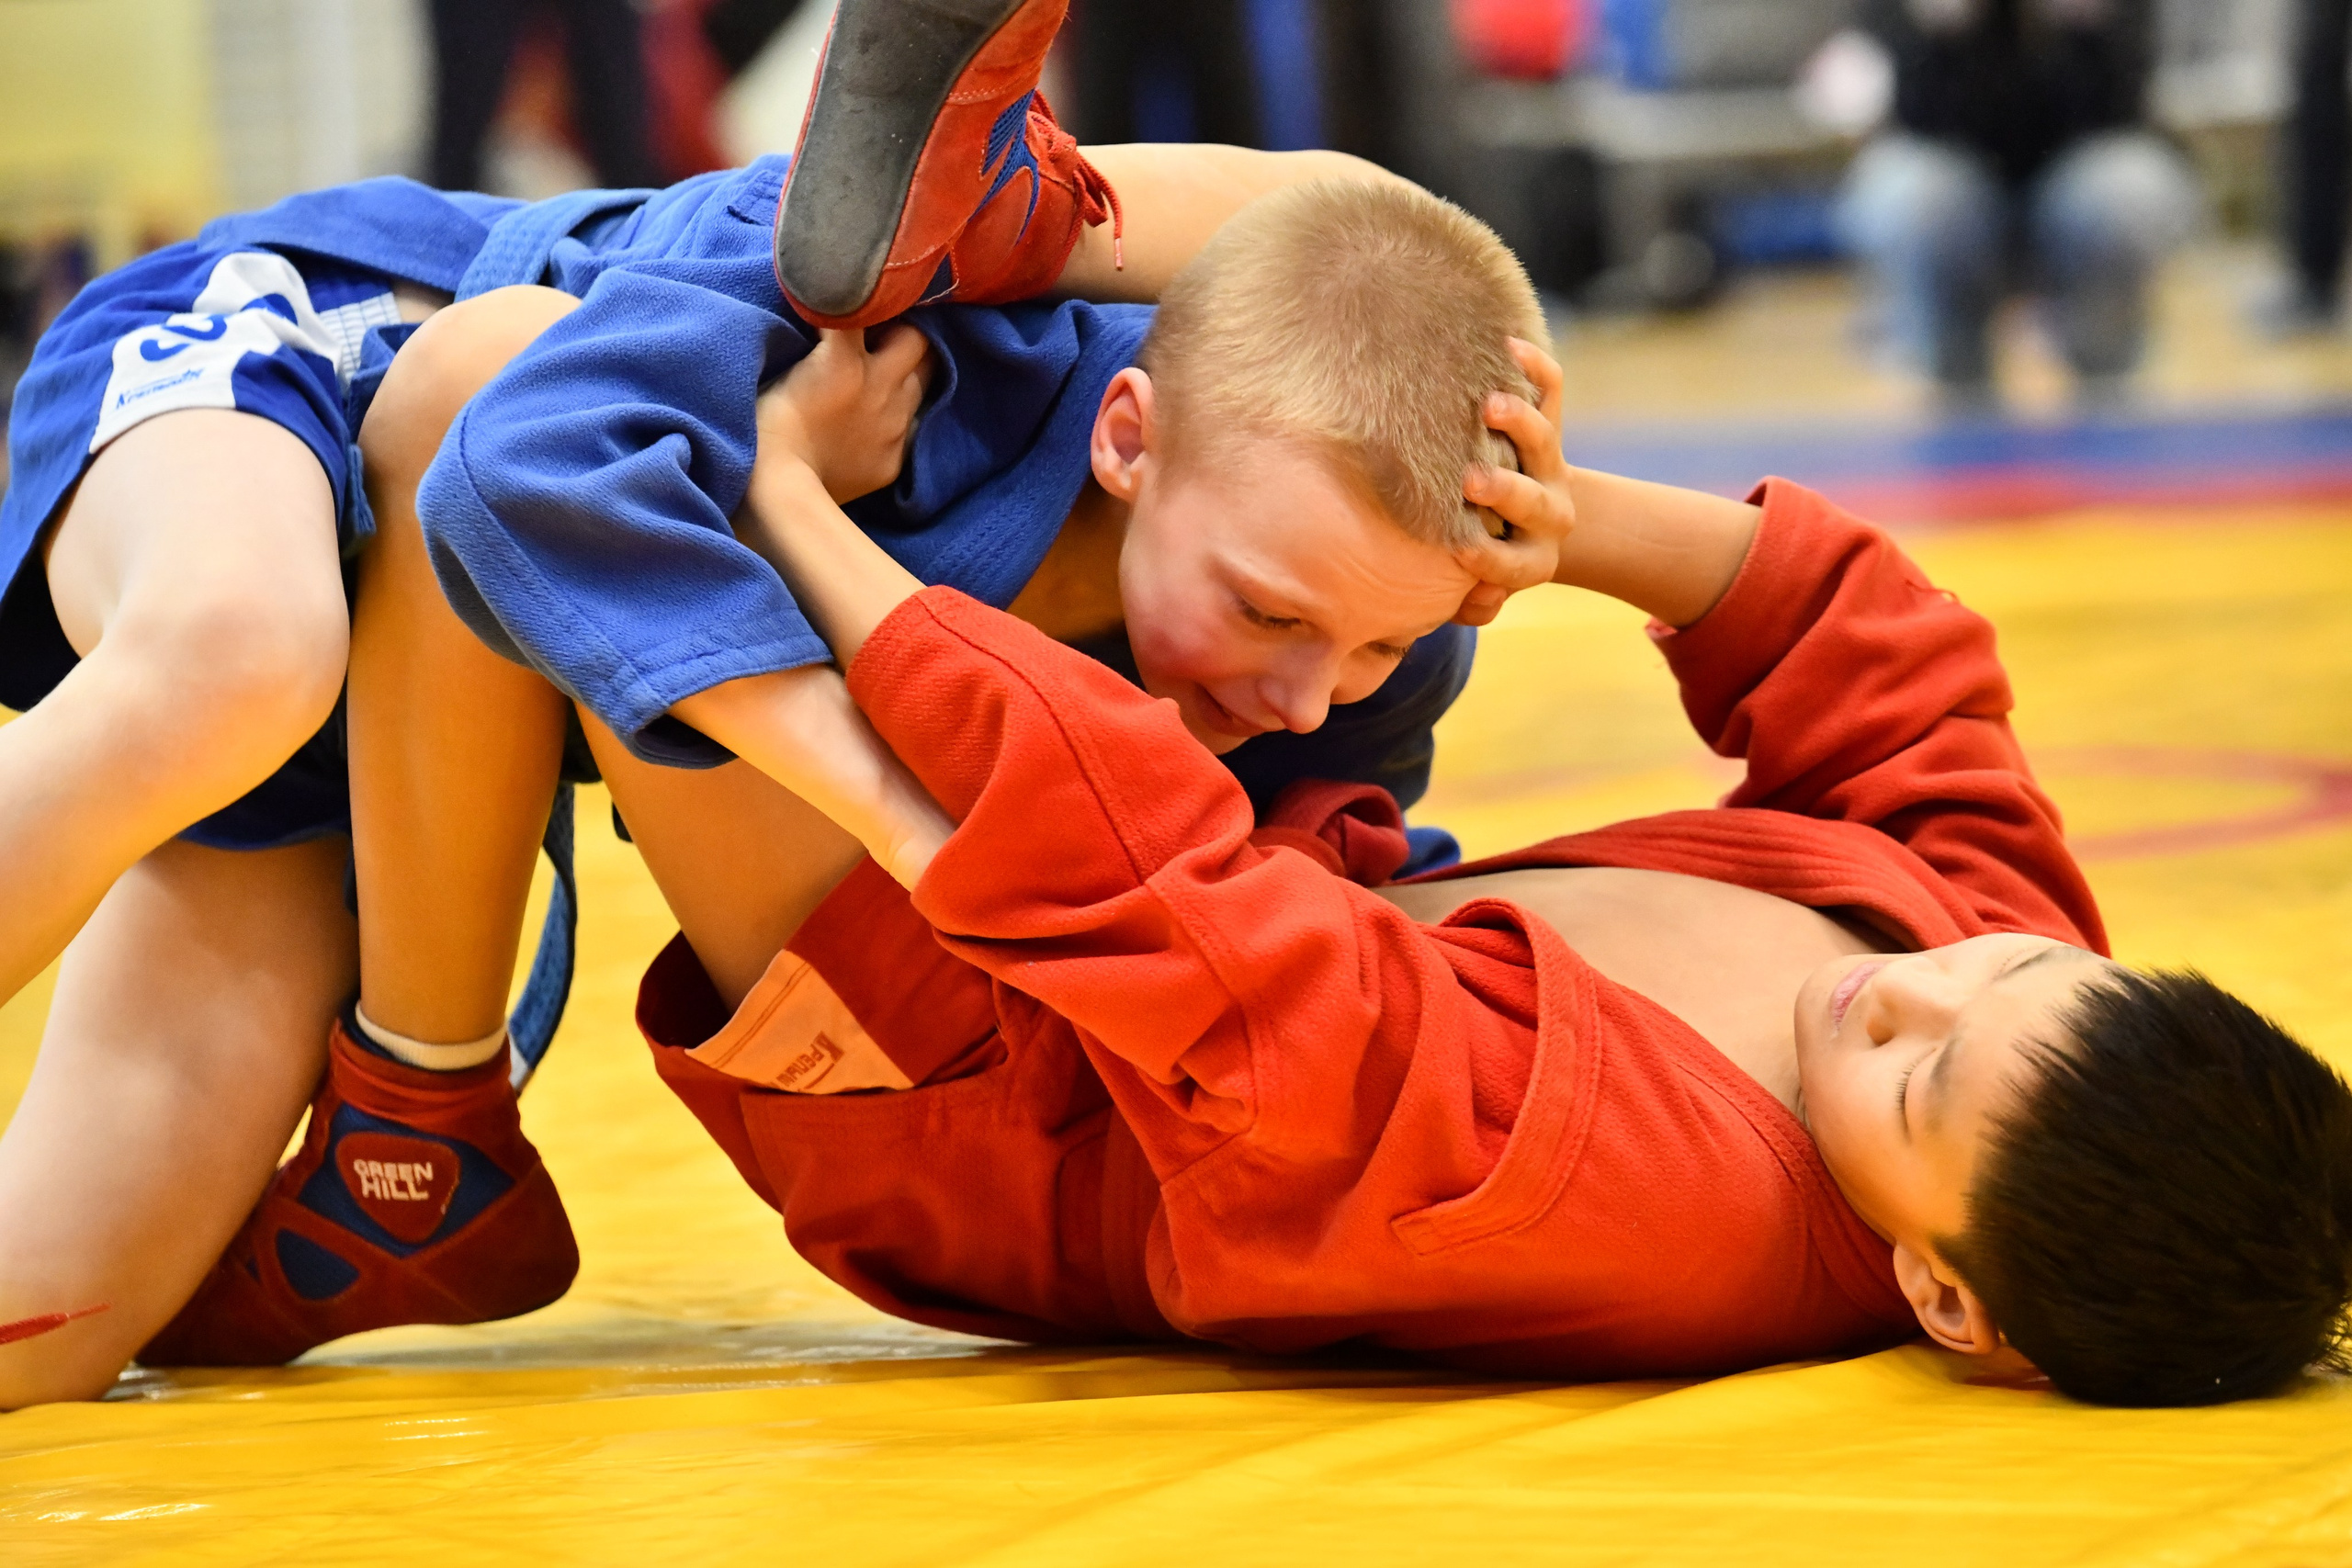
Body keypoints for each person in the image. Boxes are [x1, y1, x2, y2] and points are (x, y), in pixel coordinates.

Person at [0, 0, 1510, 1399]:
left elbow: (1310, 940)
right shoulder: (845, 317)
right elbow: (503, 455)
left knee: (43, 1327)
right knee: (252, 636)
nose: (1309, 692)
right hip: (307, 365)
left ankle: (415, 1165)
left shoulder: (1356, 608)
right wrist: (912, 826)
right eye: (1269, 614)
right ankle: (422, 1094)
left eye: (1376, 649)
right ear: (1127, 438)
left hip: (392, 717)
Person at [602, 332, 2350, 1407]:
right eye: (2019, 973)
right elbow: (1884, 655)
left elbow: (1182, 914)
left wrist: (792, 508)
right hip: (1226, 867)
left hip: (974, 1077)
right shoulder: (2000, 980)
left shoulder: (1657, 1207)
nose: (1913, 980)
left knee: (561, 442)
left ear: (1944, 1294)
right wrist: (1550, 518)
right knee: (1266, 372)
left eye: (1915, 1071)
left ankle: (423, 1095)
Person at [1830, 0, 2201, 412]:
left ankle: (2109, 389)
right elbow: (1907, 118)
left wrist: (2080, 32)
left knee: (2125, 186)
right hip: (1955, 199)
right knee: (1912, 195)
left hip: (2077, 192)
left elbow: (2124, 111)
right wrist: (1941, 34)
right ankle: (1953, 387)